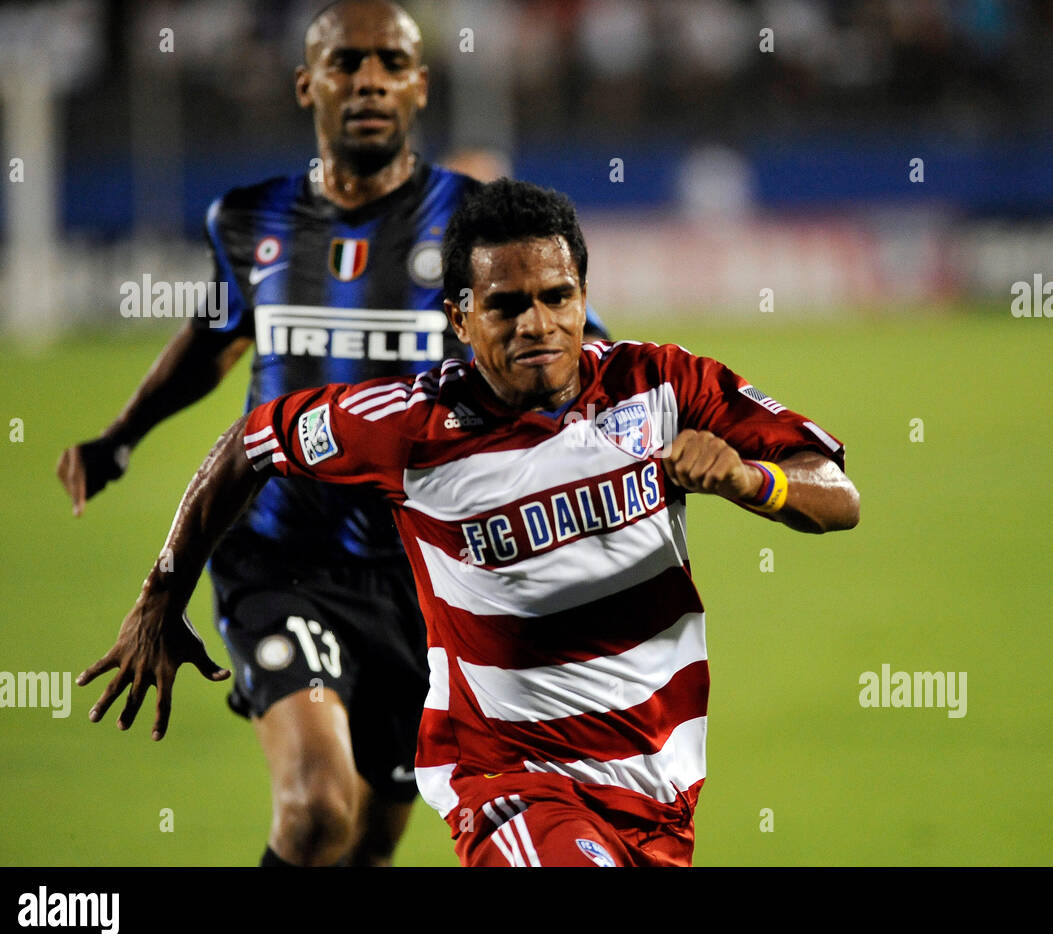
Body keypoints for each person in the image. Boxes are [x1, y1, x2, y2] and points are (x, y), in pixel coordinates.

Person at [78, 178, 859, 867]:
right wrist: (162, 595)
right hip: (511, 782)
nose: (538, 324)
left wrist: (753, 480)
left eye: (558, 297)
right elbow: (251, 443)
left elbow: (838, 495)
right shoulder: (408, 425)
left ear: (584, 296)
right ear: (459, 317)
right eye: (507, 305)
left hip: (658, 783)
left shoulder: (661, 384)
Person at [57, 0, 607, 867]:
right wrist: (121, 437)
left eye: (391, 62)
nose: (369, 82)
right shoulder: (250, 220)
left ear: (421, 85)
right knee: (316, 810)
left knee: (367, 844)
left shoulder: (479, 226)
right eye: (347, 63)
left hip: (423, 575)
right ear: (307, 82)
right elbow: (216, 335)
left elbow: (579, 350)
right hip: (277, 556)